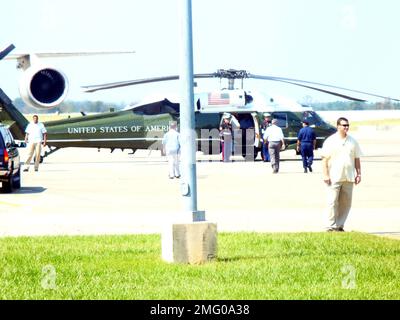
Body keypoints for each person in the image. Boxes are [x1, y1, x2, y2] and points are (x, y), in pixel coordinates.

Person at [321, 117, 362, 232]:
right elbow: (324, 159)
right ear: (338, 126)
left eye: (347, 125)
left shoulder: (352, 141)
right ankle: (330, 226)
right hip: (334, 176)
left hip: (348, 177)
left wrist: (358, 174)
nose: (346, 127)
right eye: (344, 125)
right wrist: (325, 175)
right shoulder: (330, 141)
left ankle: (339, 226)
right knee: (332, 201)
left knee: (346, 203)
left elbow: (357, 158)